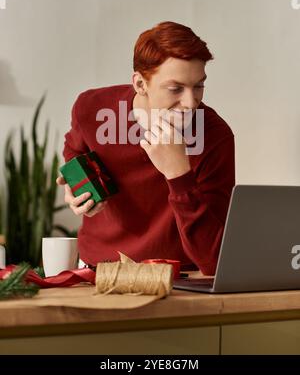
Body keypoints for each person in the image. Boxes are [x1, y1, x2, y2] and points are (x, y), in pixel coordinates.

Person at [56, 21, 235, 275]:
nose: (190, 102)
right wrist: (77, 184)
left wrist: (178, 174)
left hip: (182, 278)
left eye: (198, 86)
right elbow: (73, 147)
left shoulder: (215, 135)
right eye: (175, 89)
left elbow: (215, 260)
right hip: (96, 272)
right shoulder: (91, 108)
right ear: (140, 84)